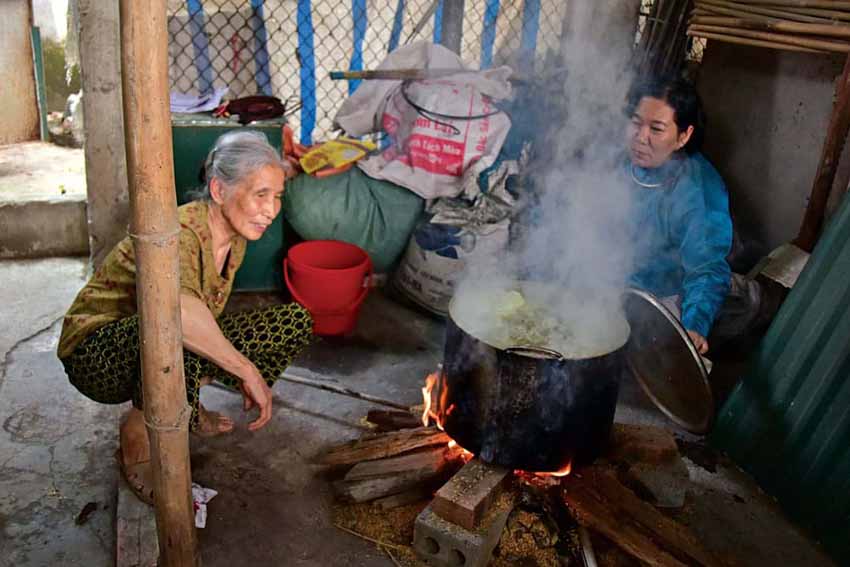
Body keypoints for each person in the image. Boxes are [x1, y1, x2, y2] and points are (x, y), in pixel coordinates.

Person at [57, 130, 313, 504]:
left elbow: (200, 321)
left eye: (276, 196)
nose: (272, 210)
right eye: (260, 195)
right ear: (220, 190)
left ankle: (183, 401)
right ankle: (138, 431)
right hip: (97, 354)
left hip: (158, 341)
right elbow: (178, 314)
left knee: (292, 323)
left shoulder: (235, 238)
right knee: (172, 328)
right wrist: (246, 370)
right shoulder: (181, 232)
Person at [625, 75, 766, 355]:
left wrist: (694, 326)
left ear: (683, 136)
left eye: (656, 128)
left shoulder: (696, 191)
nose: (641, 137)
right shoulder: (619, 161)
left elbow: (705, 269)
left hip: (671, 292)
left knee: (640, 346)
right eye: (636, 122)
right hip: (624, 282)